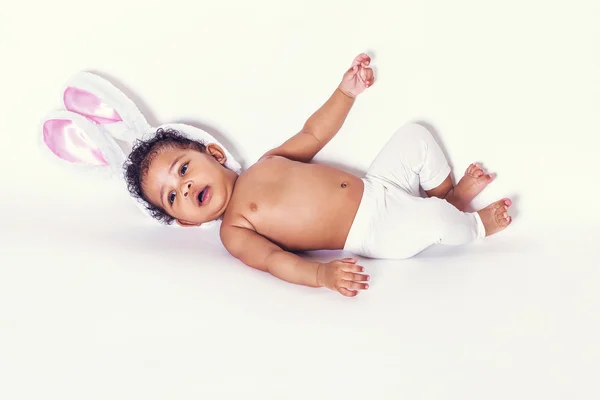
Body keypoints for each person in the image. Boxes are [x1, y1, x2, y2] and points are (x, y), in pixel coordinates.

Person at [123, 53, 512, 297]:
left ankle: (447, 197)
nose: (185, 187)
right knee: (432, 221)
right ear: (185, 224)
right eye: (172, 197)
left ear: (214, 153)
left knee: (416, 136)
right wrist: (321, 275)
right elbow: (275, 261)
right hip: (375, 227)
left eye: (183, 169)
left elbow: (314, 133)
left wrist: (345, 93)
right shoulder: (234, 230)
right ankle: (473, 225)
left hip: (378, 187)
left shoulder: (268, 161)